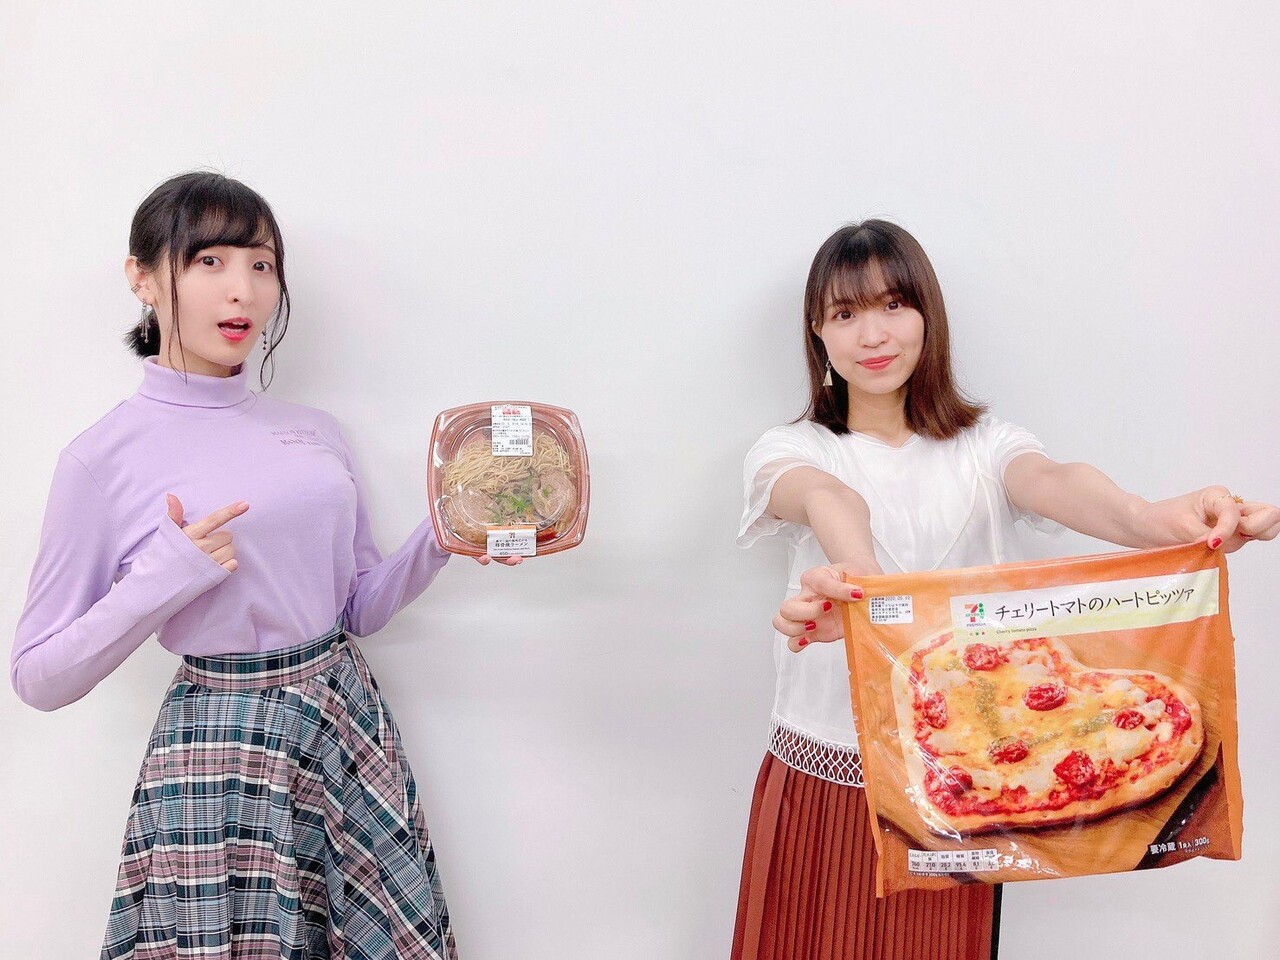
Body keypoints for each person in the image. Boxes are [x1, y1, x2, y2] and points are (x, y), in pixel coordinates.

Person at [731, 219, 1278, 960]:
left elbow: (1059, 483)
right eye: (846, 313)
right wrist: (867, 595)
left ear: (928, 314)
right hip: (826, 772)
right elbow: (829, 498)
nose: (873, 334)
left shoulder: (986, 446)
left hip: (966, 782)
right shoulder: (790, 449)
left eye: (893, 304)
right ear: (817, 334)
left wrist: (1164, 520)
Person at [10, 171, 520, 960]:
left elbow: (357, 610)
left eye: (261, 264)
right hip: (219, 753)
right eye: (208, 261)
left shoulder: (315, 431)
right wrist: (162, 580)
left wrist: (445, 532)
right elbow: (38, 679)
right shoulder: (100, 459)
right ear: (143, 278)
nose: (242, 290)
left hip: (344, 721)